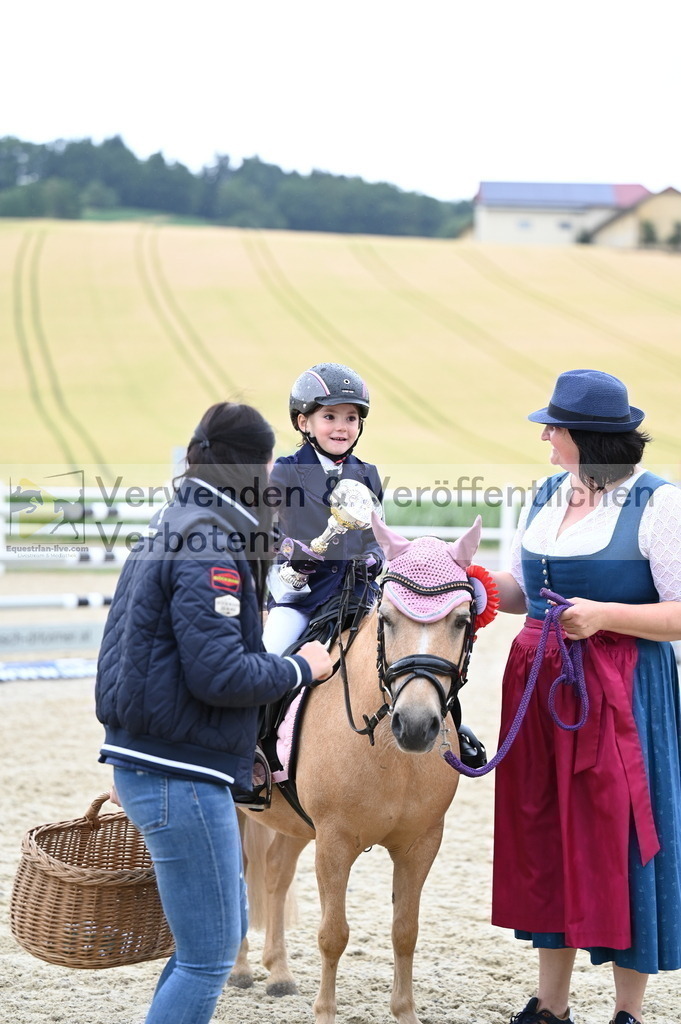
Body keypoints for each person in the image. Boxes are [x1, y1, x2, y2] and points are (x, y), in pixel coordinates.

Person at [94, 401, 332, 1024]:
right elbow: (221, 673)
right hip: (179, 772)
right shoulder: (212, 543)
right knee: (210, 957)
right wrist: (304, 668)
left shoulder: (177, 519)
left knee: (200, 947)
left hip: (155, 757)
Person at [490, 369, 681, 1024]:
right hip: (545, 687)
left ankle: (627, 1010)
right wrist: (461, 583)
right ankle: (550, 1004)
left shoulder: (658, 504)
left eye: (555, 426)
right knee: (548, 831)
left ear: (588, 438)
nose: (544, 434)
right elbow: (520, 590)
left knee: (623, 836)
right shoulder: (548, 492)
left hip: (623, 690)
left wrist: (604, 615)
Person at [261, 361, 385, 656]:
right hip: (302, 598)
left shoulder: (369, 474)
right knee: (270, 657)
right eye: (330, 416)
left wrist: (373, 560)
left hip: (358, 597)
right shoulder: (285, 472)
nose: (342, 427)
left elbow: (379, 537)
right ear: (304, 423)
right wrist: (292, 552)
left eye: (351, 418)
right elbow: (268, 535)